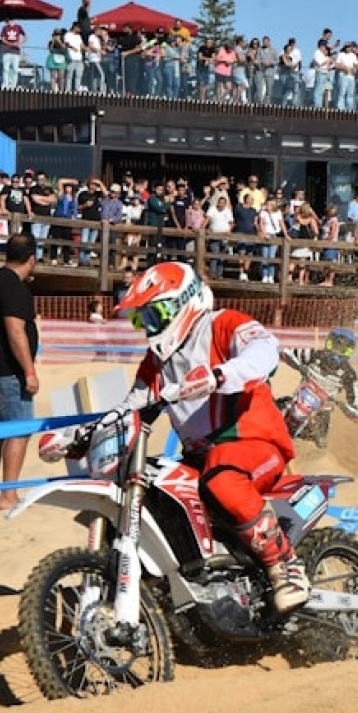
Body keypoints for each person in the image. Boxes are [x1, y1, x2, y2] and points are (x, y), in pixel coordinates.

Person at [98, 262, 308, 614]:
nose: (149, 327)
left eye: (155, 314)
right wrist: (83, 433)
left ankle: (285, 564)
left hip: (256, 446)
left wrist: (220, 375)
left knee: (221, 477)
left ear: (185, 301)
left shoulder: (223, 324)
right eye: (142, 319)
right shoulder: (156, 362)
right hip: (202, 458)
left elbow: (266, 350)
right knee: (158, 489)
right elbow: (131, 405)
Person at [0, 234, 39, 511]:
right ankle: (8, 494)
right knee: (19, 431)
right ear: (32, 259)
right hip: (7, 371)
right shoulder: (14, 286)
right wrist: (29, 370)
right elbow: (15, 330)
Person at [277, 327, 358, 448]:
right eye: (334, 346)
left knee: (321, 440)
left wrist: (349, 409)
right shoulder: (313, 354)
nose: (336, 352)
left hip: (322, 410)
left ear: (349, 351)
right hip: (300, 398)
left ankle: (309, 458)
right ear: (328, 343)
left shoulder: (349, 375)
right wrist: (300, 366)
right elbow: (286, 352)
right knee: (273, 405)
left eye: (342, 349)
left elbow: (355, 405)